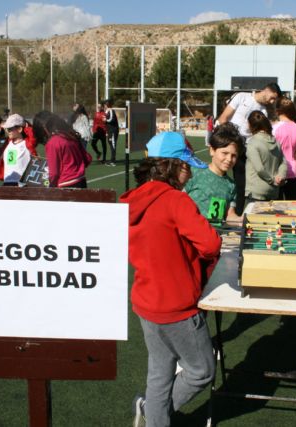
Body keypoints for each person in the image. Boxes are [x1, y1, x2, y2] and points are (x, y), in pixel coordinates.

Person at [120, 131, 221, 427]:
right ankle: (153, 412)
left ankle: (153, 416)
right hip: (176, 304)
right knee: (201, 371)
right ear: (173, 166)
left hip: (146, 300)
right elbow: (211, 244)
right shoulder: (176, 200)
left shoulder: (131, 199)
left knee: (160, 372)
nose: (189, 173)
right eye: (187, 166)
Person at [217, 82, 281, 215]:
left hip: (246, 149)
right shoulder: (242, 97)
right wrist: (228, 139)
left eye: (274, 100)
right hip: (230, 143)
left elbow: (258, 133)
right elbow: (223, 118)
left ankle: (240, 215)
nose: (272, 101)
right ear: (267, 90)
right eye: (272, 97)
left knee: (242, 184)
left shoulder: (263, 111)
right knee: (219, 177)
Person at [184, 122, 242, 224]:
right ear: (212, 150)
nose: (229, 159)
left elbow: (230, 215)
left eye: (234, 155)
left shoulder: (231, 185)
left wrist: (241, 220)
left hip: (215, 237)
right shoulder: (193, 174)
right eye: (225, 153)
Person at [32, 111, 91, 188]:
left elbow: (54, 173)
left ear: (43, 128)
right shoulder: (71, 135)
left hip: (65, 184)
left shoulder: (52, 143)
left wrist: (51, 186)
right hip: (81, 181)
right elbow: (88, 159)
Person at [245, 110, 287, 205]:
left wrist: (272, 180)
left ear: (251, 125)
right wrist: (280, 177)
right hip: (273, 192)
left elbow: (259, 169)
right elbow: (283, 163)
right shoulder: (276, 142)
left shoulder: (253, 143)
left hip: (256, 192)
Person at [273, 97, 296, 200]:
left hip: (277, 173)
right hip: (293, 171)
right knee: (291, 204)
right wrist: (295, 168)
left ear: (277, 111)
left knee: (277, 206)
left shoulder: (275, 128)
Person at [0, 114, 31, 186]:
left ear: (19, 129)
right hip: (7, 182)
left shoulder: (27, 144)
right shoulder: (8, 144)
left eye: (10, 129)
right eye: (7, 129)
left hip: (20, 184)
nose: (8, 131)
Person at [104, 99, 119, 166]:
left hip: (113, 130)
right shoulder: (107, 111)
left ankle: (113, 161)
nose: (104, 105)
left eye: (105, 104)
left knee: (113, 144)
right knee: (111, 143)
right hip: (110, 131)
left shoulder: (111, 110)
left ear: (106, 105)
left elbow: (112, 120)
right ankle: (112, 160)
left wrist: (105, 119)